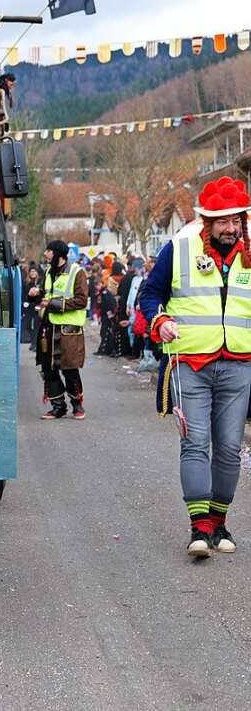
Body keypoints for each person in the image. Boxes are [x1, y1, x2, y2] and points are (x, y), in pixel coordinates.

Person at [139, 177, 251, 557]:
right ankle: (199, 529)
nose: (231, 228)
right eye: (223, 221)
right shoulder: (180, 247)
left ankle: (219, 523)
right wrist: (160, 321)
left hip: (238, 364)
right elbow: (150, 293)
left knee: (230, 449)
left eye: (237, 220)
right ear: (207, 221)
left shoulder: (249, 251)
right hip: (190, 363)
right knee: (195, 445)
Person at [33, 240, 88, 420]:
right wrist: (36, 294)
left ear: (58, 254)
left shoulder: (77, 272)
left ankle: (77, 406)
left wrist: (54, 303)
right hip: (48, 328)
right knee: (47, 368)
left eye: (49, 251)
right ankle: (58, 407)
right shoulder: (48, 272)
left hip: (68, 331)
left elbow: (81, 300)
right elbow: (45, 294)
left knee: (69, 369)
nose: (46, 254)